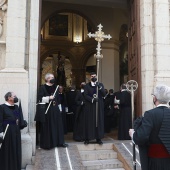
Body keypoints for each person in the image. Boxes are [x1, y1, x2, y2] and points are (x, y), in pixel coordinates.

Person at [129, 84, 170, 170]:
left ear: (155, 98)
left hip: (156, 162)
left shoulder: (150, 114)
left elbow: (141, 137)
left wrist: (133, 134)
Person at [35, 73, 67, 149]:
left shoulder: (55, 87)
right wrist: (49, 98)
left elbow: (58, 99)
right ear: (47, 79)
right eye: (51, 77)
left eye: (53, 77)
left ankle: (59, 142)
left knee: (58, 125)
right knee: (48, 126)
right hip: (47, 109)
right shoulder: (43, 88)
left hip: (55, 109)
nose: (52, 78)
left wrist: (60, 109)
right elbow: (39, 99)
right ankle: (48, 144)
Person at [0, 92, 27, 170]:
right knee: (7, 150)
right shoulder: (2, 107)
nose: (16, 97)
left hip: (16, 132)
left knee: (15, 149)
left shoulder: (16, 107)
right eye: (14, 96)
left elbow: (17, 117)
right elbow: (0, 120)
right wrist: (0, 132)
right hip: (7, 132)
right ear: (9, 98)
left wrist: (22, 122)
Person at [84, 72, 105, 145]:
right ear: (90, 77)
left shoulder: (100, 84)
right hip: (90, 106)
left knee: (98, 121)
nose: (93, 77)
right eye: (92, 76)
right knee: (89, 121)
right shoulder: (87, 86)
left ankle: (98, 138)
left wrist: (100, 87)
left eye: (94, 76)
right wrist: (92, 99)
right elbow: (85, 95)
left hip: (98, 106)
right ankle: (88, 138)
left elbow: (103, 94)